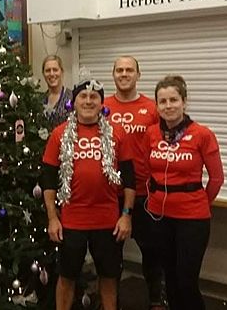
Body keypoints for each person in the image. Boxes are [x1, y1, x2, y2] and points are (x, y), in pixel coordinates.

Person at [41, 78, 136, 310]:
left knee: (109, 276)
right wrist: (53, 218)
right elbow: (48, 180)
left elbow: (130, 181)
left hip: (108, 220)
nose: (88, 101)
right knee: (67, 276)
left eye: (94, 96)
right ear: (74, 101)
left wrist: (126, 215)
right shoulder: (59, 134)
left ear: (102, 102)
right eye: (83, 96)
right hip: (72, 220)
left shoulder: (117, 133)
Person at [144, 75, 224, 310]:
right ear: (156, 105)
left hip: (192, 219)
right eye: (162, 101)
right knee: (169, 280)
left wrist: (199, 203)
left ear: (184, 102)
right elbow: (149, 171)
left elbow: (217, 179)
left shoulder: (202, 134)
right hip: (160, 217)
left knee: (186, 282)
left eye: (173, 100)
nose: (168, 106)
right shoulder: (151, 134)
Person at [103, 56, 166, 309]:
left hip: (145, 193)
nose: (124, 74)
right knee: (110, 256)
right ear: (113, 74)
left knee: (151, 253)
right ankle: (111, 303)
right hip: (109, 193)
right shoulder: (102, 106)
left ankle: (155, 300)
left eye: (129, 70)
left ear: (138, 75)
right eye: (119, 70)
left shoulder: (152, 109)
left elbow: (164, 144)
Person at [41, 55, 72, 129]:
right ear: (43, 74)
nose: (51, 74)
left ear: (62, 72)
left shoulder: (72, 97)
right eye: (48, 70)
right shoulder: (40, 100)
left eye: (55, 70)